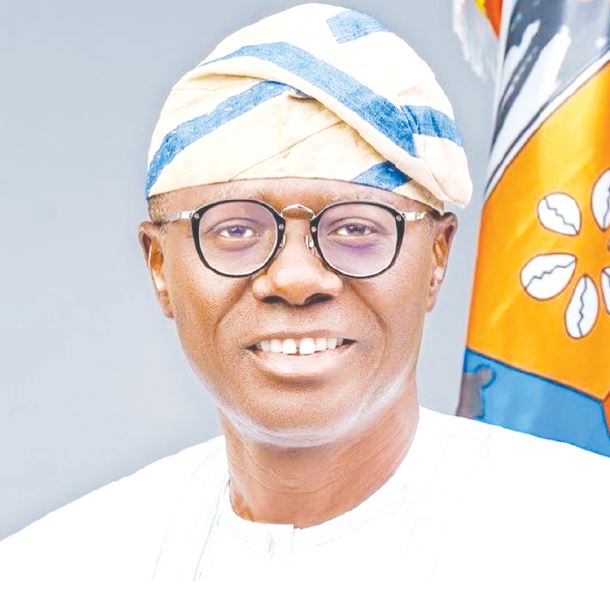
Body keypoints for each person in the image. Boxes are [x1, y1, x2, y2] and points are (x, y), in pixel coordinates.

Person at [1, 3, 608, 588]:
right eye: (235, 230)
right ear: (160, 266)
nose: (295, 278)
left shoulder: (585, 542)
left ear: (437, 257)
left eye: (357, 228)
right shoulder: (52, 567)